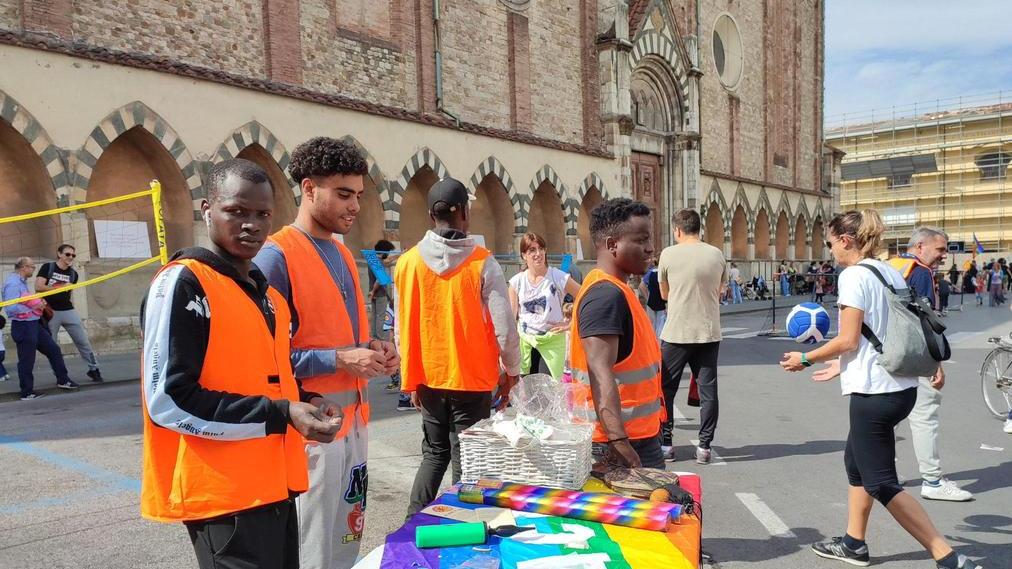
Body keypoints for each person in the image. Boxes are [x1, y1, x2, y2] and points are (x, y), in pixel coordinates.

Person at [140, 158, 343, 569]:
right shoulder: (184, 282)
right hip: (224, 499)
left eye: (262, 215)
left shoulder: (268, 297)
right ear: (207, 209)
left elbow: (272, 378)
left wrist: (309, 400)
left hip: (276, 487)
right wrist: (280, 413)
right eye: (236, 211)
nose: (251, 225)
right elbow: (167, 401)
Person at [781, 210, 982, 569]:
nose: (830, 252)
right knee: (855, 463)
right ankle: (853, 543)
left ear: (846, 240)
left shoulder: (854, 276)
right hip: (901, 386)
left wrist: (806, 358)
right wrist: (840, 366)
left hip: (875, 393)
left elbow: (847, 338)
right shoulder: (888, 269)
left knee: (882, 482)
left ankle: (947, 556)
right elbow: (893, 326)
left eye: (830, 243)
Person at [253, 138, 399, 569]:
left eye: (358, 195)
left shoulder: (340, 251)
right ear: (309, 188)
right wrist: (339, 359)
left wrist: (374, 348)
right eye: (343, 194)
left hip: (353, 425)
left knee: (345, 544)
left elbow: (343, 334)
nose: (354, 206)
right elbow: (267, 361)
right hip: (309, 431)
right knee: (311, 553)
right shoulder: (275, 257)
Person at [397, 177, 522, 516]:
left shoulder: (407, 263)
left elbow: (401, 325)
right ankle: (460, 522)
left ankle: (413, 520)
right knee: (466, 457)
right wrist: (513, 372)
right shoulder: (483, 262)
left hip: (427, 375)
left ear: (429, 216)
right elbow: (505, 326)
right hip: (471, 376)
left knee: (434, 453)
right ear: (465, 214)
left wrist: (409, 378)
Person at [569, 198, 665, 469]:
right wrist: (618, 440)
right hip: (618, 445)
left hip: (635, 437)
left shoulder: (616, 289)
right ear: (612, 245)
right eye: (641, 240)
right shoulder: (605, 295)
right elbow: (600, 372)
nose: (650, 248)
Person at [887, 227, 972, 502]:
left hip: (888, 353)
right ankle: (932, 480)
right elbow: (925, 321)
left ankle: (887, 472)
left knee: (890, 416)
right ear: (920, 246)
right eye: (940, 249)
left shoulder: (891, 266)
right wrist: (936, 363)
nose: (943, 256)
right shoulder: (921, 272)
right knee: (925, 414)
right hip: (914, 354)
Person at [657, 209, 727, 464]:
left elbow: (664, 294)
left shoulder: (668, 254)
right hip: (708, 332)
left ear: (677, 230)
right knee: (709, 391)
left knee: (665, 389)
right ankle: (705, 446)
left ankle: (666, 443)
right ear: (699, 228)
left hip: (676, 331)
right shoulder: (716, 254)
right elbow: (721, 289)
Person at [508, 232, 581, 380]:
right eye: (532, 250)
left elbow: (585, 295)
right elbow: (510, 317)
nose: (538, 254)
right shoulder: (517, 282)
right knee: (528, 393)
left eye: (541, 249)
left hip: (551, 341)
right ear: (524, 255)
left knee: (546, 391)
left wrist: (571, 323)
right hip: (525, 342)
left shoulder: (557, 277)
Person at [3, 257, 77, 399]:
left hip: (34, 324)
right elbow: (11, 308)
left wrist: (37, 303)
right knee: (27, 359)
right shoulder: (13, 284)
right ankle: (27, 392)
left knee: (54, 350)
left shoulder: (21, 282)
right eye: (32, 267)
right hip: (24, 326)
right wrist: (35, 306)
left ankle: (63, 380)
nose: (34, 269)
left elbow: (25, 300)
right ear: (24, 267)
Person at [35, 244, 103, 382]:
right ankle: (60, 375)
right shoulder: (48, 268)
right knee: (51, 346)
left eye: (73, 255)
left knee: (83, 341)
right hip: (50, 311)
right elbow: (38, 286)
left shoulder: (73, 274)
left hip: (68, 310)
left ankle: (94, 369)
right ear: (59, 254)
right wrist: (60, 286)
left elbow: (68, 293)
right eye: (67, 254)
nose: (70, 257)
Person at [638, 256, 667, 337]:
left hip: (651, 302)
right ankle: (658, 343)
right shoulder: (663, 273)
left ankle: (651, 340)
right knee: (661, 324)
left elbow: (641, 286)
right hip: (662, 303)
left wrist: (647, 297)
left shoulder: (650, 273)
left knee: (651, 324)